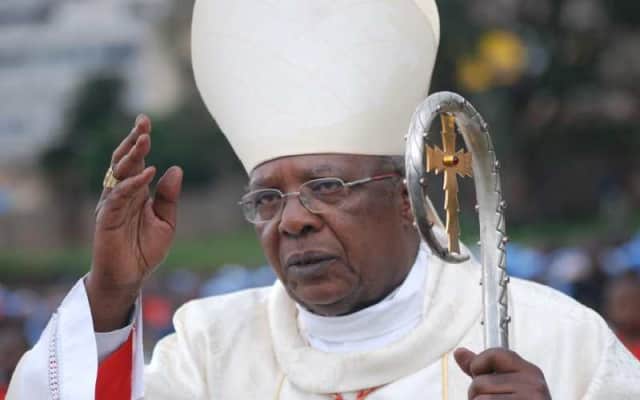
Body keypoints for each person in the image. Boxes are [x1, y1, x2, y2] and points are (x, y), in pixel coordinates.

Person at [7, 1, 640, 399]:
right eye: (266, 200)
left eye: (326, 188)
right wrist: (111, 293)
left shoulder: (551, 337)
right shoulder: (211, 352)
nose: (292, 221)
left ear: (406, 196)